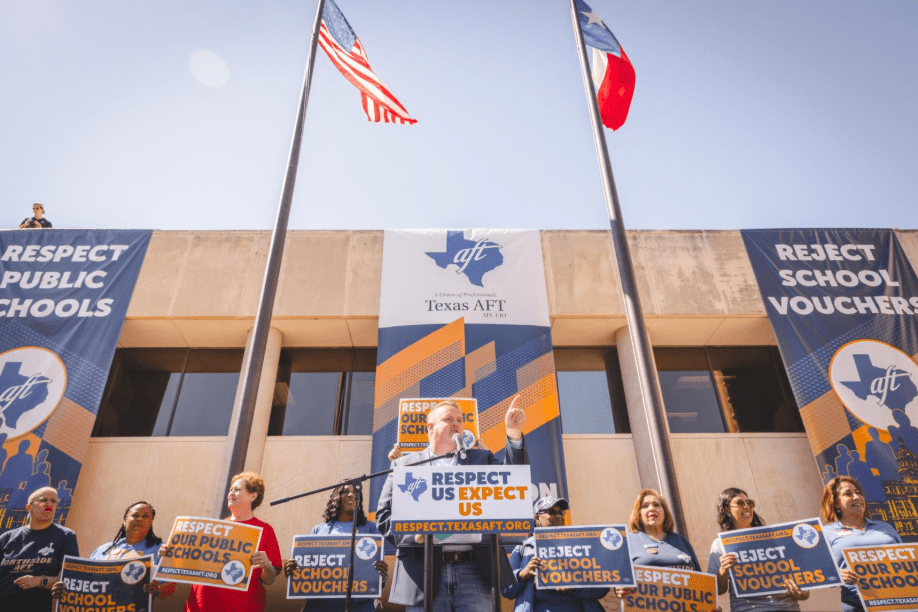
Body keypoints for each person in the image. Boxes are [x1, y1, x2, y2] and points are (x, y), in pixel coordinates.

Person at [376, 396, 528, 612]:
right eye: (449, 419)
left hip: (475, 571)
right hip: (424, 571)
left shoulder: (480, 459)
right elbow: (383, 517)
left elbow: (514, 481)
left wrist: (513, 434)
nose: (457, 423)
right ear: (430, 427)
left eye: (460, 419)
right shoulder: (404, 465)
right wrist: (414, 534)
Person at [161, 472, 282, 612]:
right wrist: (170, 555)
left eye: (237, 489)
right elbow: (186, 566)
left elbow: (269, 579)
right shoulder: (211, 529)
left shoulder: (265, 530)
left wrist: (267, 566)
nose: (231, 493)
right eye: (230, 490)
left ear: (252, 496)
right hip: (199, 607)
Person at [283, 482, 389, 611]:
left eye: (356, 493)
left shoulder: (370, 528)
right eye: (345, 491)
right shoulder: (319, 530)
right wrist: (293, 570)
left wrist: (382, 575)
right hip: (321, 605)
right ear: (336, 497)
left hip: (358, 605)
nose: (351, 495)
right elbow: (309, 572)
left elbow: (378, 576)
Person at [707, 487, 808, 611]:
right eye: (740, 503)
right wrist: (723, 570)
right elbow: (717, 590)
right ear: (727, 509)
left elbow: (802, 585)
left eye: (750, 503)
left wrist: (801, 593)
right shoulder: (719, 544)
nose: (747, 507)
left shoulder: (775, 538)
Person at [52, 500, 175, 600]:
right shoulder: (103, 550)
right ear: (124, 521)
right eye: (135, 515)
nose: (140, 519)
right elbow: (85, 583)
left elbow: (170, 589)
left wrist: (157, 589)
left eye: (145, 516)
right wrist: (66, 588)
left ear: (151, 523)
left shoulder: (161, 550)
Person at [503, 496, 608, 612]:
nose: (558, 516)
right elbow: (506, 590)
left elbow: (601, 588)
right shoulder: (523, 549)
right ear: (536, 518)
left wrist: (575, 588)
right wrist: (523, 574)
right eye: (552, 512)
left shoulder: (581, 546)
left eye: (561, 513)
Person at [821, 476, 902, 612]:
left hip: (899, 602)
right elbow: (818, 573)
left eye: (858, 493)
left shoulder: (885, 527)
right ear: (835, 502)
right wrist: (837, 574)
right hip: (856, 605)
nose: (857, 497)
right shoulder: (826, 532)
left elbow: (910, 560)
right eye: (848, 494)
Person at [0, 486, 79, 610]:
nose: (49, 505)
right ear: (29, 507)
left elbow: (72, 578)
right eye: (43, 500)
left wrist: (40, 581)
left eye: (53, 501)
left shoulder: (65, 536)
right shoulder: (6, 538)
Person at [615, 489, 700, 599]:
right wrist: (620, 589)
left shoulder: (681, 541)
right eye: (645, 506)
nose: (651, 509)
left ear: (664, 512)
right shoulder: (628, 541)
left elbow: (701, 582)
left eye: (656, 505)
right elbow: (619, 581)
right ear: (638, 513)